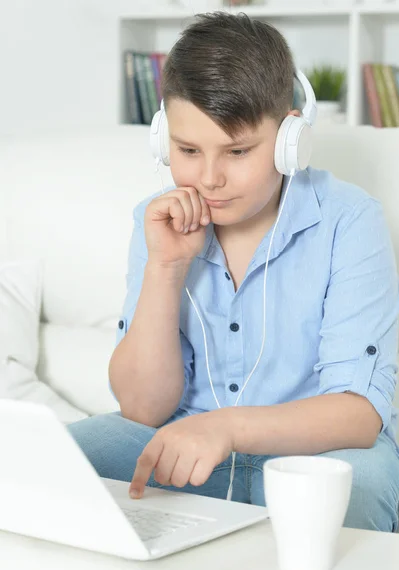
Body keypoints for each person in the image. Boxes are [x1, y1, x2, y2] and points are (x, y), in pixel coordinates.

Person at [68, 12, 399, 531]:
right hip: (182, 436)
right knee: (61, 465)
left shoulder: (349, 220)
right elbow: (140, 407)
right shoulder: (155, 220)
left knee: (361, 493)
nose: (209, 179)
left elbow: (357, 416)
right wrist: (167, 265)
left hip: (315, 450)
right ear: (163, 139)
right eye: (187, 150)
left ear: (292, 137)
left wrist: (225, 428)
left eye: (238, 151)